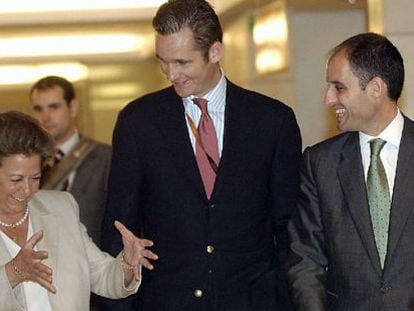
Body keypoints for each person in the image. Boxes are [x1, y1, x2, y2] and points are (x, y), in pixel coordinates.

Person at [101, 0, 301, 310]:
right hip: (166, 300)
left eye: (182, 62)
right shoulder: (138, 122)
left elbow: (288, 227)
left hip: (253, 300)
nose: (171, 73)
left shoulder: (272, 121)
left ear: (215, 52)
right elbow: (118, 226)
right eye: (163, 62)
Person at [288, 33, 413, 310]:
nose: (328, 99)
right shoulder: (320, 163)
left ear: (376, 87)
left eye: (339, 87)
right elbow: (305, 260)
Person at [0, 111, 158, 311]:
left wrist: (127, 263)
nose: (28, 189)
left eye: (35, 178)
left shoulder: (61, 208)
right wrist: (12, 273)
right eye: (16, 180)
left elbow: (101, 274)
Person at [29, 75, 111, 247]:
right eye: (38, 109)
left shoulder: (105, 157)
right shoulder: (26, 162)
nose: (46, 117)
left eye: (54, 107)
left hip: (91, 260)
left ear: (72, 107)